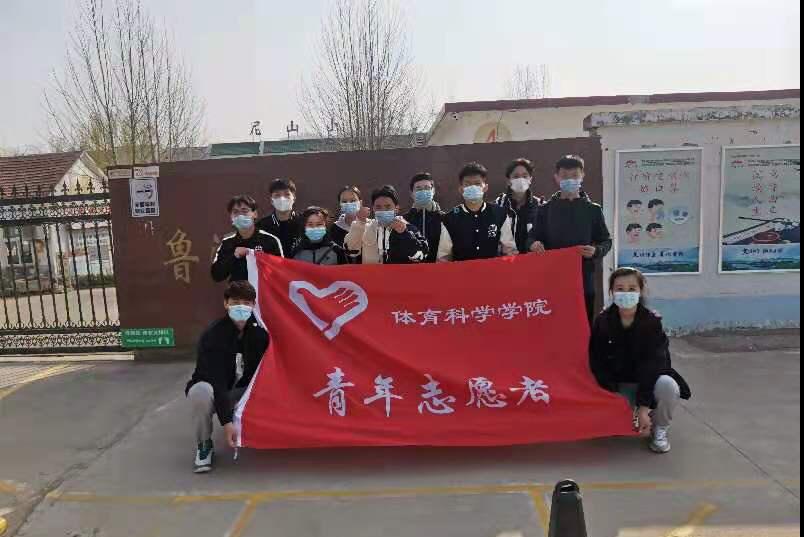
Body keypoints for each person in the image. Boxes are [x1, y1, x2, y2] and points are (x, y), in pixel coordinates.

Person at [589, 267, 691, 454]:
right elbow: (596, 361)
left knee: (668, 386)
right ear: (611, 292)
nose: (625, 293)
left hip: (647, 382)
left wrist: (643, 406)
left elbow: (654, 366)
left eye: (631, 288)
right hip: (618, 385)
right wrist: (612, 394)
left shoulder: (651, 323)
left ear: (641, 291)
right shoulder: (602, 322)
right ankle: (623, 415)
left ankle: (659, 428)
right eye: (620, 289)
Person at [185, 281, 269, 473]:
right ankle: (204, 445)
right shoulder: (213, 335)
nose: (241, 307)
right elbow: (217, 382)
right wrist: (227, 422)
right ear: (226, 304)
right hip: (215, 388)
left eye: (246, 303)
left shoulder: (260, 334)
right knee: (200, 392)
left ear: (253, 305)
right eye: (236, 302)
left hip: (243, 390)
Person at [527, 155, 612, 325]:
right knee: (554, 324)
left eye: (574, 175)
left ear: (582, 176)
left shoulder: (593, 210)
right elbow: (531, 237)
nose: (570, 180)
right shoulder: (545, 210)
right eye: (565, 176)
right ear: (556, 178)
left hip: (584, 279)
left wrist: (596, 251)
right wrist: (533, 244)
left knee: (583, 324)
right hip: (553, 279)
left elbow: (606, 240)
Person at [438, 162, 518, 262]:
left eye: (477, 183)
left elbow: (509, 250)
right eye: (467, 184)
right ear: (461, 189)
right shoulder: (449, 219)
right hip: (463, 271)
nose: (472, 187)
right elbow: (444, 257)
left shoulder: (499, 213)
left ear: (485, 187)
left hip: (493, 270)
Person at [345, 185, 428, 264]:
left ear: (396, 208)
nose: (383, 210)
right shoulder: (364, 227)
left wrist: (404, 234)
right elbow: (350, 252)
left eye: (388, 206)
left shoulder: (409, 228)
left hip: (399, 274)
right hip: (371, 274)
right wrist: (359, 223)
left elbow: (421, 257)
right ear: (373, 209)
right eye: (378, 207)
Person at [211, 195, 284, 283]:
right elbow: (217, 275)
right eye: (235, 212)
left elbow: (279, 272)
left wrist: (259, 257)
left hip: (262, 289)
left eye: (244, 211)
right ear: (231, 217)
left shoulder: (269, 241)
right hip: (237, 290)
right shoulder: (227, 243)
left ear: (255, 214)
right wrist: (234, 256)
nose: (240, 215)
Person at [494, 158, 543, 254]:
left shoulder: (541, 206)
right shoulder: (498, 205)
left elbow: (545, 235)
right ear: (508, 180)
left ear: (530, 179)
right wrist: (500, 248)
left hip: (533, 260)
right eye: (516, 176)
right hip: (506, 260)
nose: (521, 180)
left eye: (525, 176)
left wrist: (537, 244)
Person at [404, 172, 449, 263]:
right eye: (418, 189)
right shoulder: (404, 220)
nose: (423, 191)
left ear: (433, 191)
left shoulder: (445, 218)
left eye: (427, 188)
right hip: (411, 269)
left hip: (438, 269)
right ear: (412, 193)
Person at [258, 178, 303, 256]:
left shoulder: (304, 222)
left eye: (287, 194)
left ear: (294, 198)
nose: (282, 198)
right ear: (271, 200)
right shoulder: (261, 226)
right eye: (277, 195)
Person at [330, 186, 363, 262]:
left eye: (353, 200)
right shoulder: (334, 228)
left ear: (360, 202)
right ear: (340, 204)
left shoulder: (369, 226)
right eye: (344, 201)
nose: (348, 204)